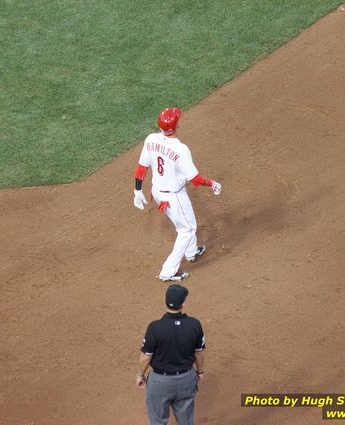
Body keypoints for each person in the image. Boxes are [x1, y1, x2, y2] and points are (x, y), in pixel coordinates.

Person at [133, 107, 221, 281]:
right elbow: (194, 179)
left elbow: (142, 167)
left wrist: (137, 189)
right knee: (187, 230)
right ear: (176, 126)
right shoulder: (181, 149)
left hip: (157, 192)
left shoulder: (150, 139)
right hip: (174, 196)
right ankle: (168, 271)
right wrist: (212, 183)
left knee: (187, 223)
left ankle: (191, 252)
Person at [136, 284, 205, 425]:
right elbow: (199, 354)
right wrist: (200, 372)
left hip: (160, 382)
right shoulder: (194, 325)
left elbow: (145, 357)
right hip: (186, 380)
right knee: (186, 422)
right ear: (183, 304)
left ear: (165, 301)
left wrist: (140, 375)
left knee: (157, 421)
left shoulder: (155, 327)